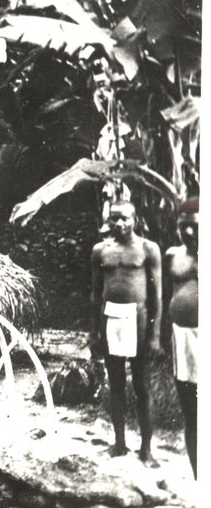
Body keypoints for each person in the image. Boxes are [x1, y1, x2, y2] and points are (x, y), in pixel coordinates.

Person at [90, 200, 162, 466]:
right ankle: (119, 443)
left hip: (138, 318)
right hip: (111, 317)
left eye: (125, 218)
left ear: (135, 220)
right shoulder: (101, 250)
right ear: (108, 221)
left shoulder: (147, 249)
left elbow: (157, 296)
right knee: (116, 383)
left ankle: (147, 449)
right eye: (114, 218)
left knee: (141, 384)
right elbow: (95, 294)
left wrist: (154, 336)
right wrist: (93, 333)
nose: (119, 223)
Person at [164, 198, 198, 478]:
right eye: (184, 225)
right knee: (192, 413)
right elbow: (166, 295)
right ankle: (200, 480)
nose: (189, 232)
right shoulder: (173, 256)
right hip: (182, 339)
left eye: (196, 226)